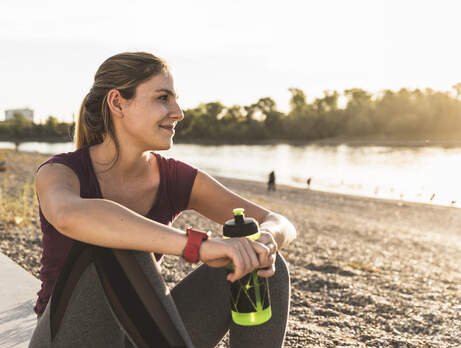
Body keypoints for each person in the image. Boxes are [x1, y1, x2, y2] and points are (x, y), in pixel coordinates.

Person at [30, 52, 296, 347]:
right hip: (70, 337)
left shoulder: (174, 177)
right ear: (118, 103)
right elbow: (69, 215)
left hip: (142, 336)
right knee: (118, 245)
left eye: (176, 99)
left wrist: (268, 239)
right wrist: (198, 246)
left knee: (259, 261)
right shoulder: (60, 171)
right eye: (162, 98)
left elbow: (279, 222)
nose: (178, 112)